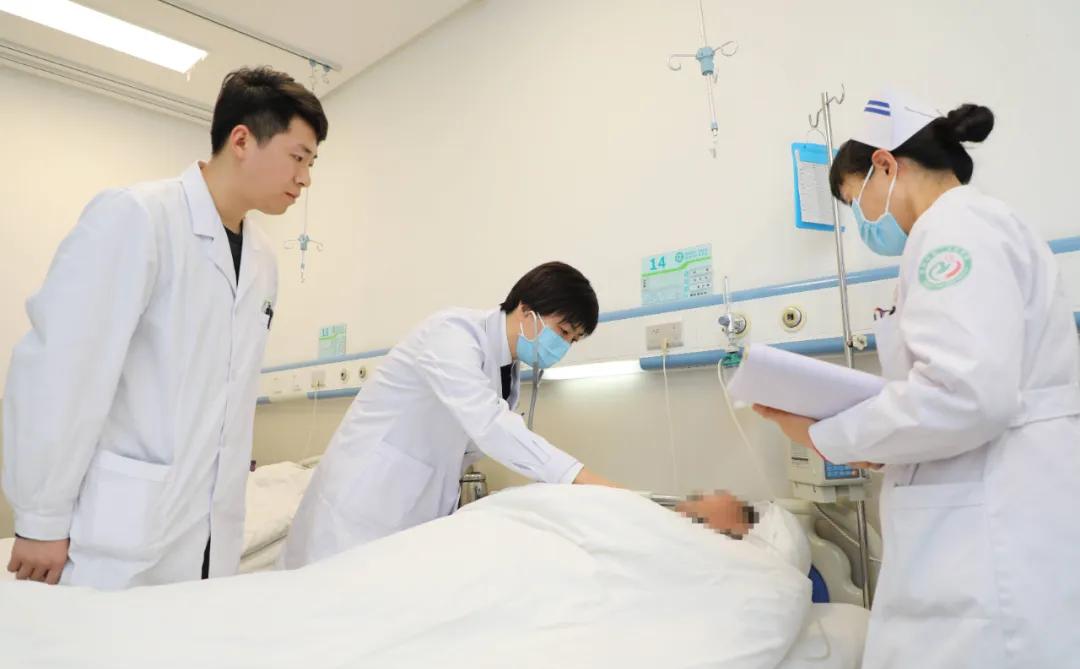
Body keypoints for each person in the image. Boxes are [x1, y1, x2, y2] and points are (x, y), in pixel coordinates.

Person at [754, 90, 1080, 669]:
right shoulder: (978, 225)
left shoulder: (954, 229)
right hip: (993, 509)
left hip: (989, 528)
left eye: (855, 201)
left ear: (885, 164)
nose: (863, 221)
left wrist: (827, 434)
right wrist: (879, 442)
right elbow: (962, 389)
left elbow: (965, 396)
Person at [2, 67, 329, 589]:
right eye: (298, 157)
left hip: (213, 533)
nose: (305, 178)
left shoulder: (263, 260)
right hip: (120, 531)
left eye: (311, 163)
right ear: (242, 140)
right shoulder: (138, 217)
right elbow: (63, 368)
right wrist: (41, 518)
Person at [283, 262, 753, 568]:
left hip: (409, 511)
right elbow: (492, 428)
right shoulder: (451, 336)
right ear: (526, 311)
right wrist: (608, 490)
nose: (564, 346)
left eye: (573, 340)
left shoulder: (509, 370)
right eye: (562, 331)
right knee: (318, 619)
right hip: (359, 507)